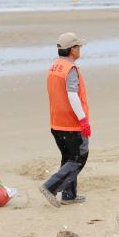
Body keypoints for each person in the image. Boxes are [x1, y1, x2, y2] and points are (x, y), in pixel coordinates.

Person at [39, 32, 91, 207]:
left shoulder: (55, 67)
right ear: (71, 49)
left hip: (56, 122)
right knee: (79, 156)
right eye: (78, 46)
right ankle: (50, 186)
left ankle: (69, 195)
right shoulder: (70, 69)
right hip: (71, 123)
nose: (80, 49)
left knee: (68, 158)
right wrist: (83, 120)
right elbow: (72, 96)